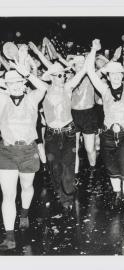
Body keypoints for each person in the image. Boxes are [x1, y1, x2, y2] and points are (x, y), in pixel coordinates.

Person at [86, 37, 124, 220]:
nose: (115, 76)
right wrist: (93, 50)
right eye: (112, 74)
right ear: (108, 75)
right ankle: (116, 193)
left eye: (118, 74)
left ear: (123, 75)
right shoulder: (104, 89)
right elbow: (89, 70)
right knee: (112, 170)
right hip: (107, 135)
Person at [0, 64, 48, 250]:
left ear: (24, 82)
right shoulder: (2, 99)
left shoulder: (32, 98)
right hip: (7, 152)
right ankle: (9, 236)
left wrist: (26, 72)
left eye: (19, 82)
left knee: (26, 187)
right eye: (11, 83)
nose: (15, 86)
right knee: (9, 194)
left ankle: (25, 214)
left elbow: (43, 87)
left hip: (29, 151)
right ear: (5, 85)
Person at [42, 61, 88, 213]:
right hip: (51, 135)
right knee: (55, 168)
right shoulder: (44, 89)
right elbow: (29, 77)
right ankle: (58, 192)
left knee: (68, 166)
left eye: (64, 75)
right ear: (52, 77)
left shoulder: (67, 88)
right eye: (60, 75)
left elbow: (82, 73)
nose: (63, 77)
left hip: (68, 132)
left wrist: (93, 50)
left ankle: (67, 198)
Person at [70, 55, 98, 179]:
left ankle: (93, 168)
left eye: (83, 63)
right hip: (73, 115)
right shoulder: (69, 79)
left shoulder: (92, 77)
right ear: (74, 67)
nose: (81, 66)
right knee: (74, 147)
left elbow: (104, 68)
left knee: (89, 147)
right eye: (78, 64)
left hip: (89, 115)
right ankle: (75, 175)